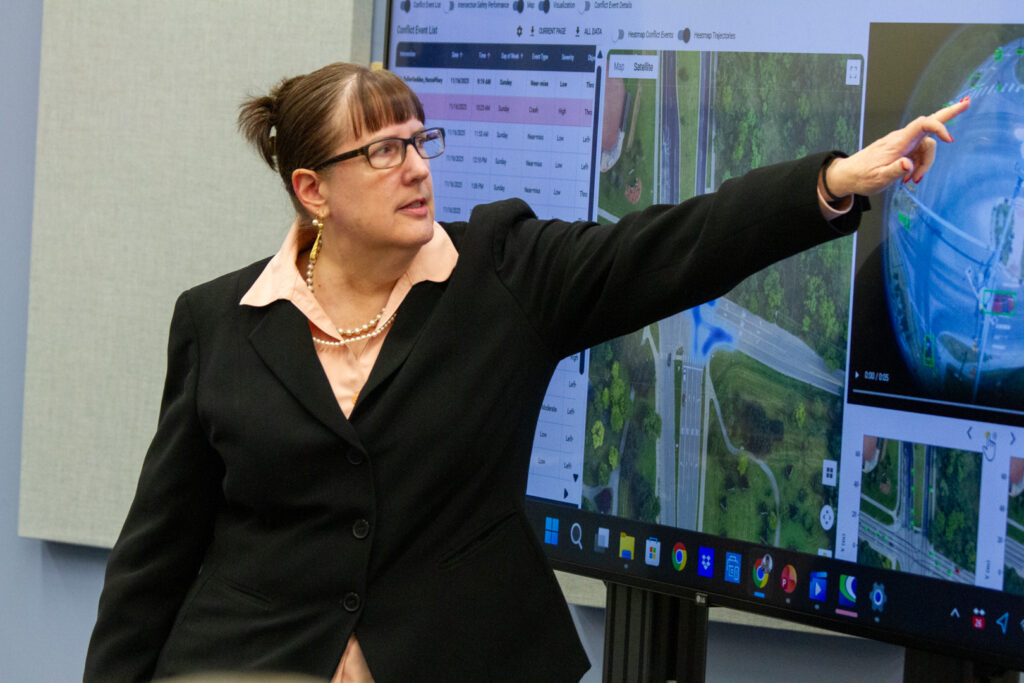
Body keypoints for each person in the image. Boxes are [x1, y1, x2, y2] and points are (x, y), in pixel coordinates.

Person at [83, 61, 967, 682]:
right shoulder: (218, 320)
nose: (417, 166)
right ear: (313, 190)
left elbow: (675, 246)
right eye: (382, 151)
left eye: (418, 138)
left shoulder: (504, 270)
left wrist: (835, 181)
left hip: (461, 658)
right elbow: (155, 556)